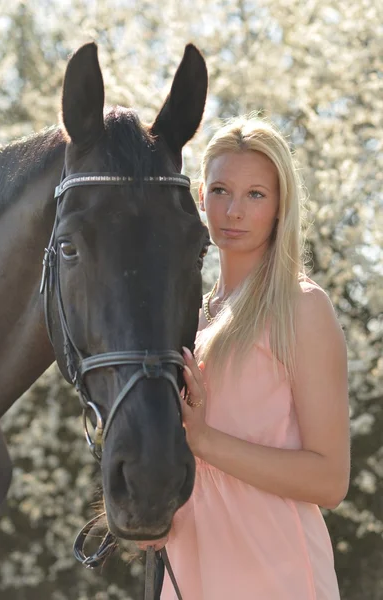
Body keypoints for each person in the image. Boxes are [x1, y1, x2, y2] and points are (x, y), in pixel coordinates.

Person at [141, 115, 350, 600]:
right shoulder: (186, 320)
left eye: (256, 194)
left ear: (280, 207)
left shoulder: (302, 307)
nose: (233, 210)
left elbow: (330, 479)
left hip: (276, 574)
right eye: (220, 190)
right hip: (190, 571)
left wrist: (206, 441)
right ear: (200, 198)